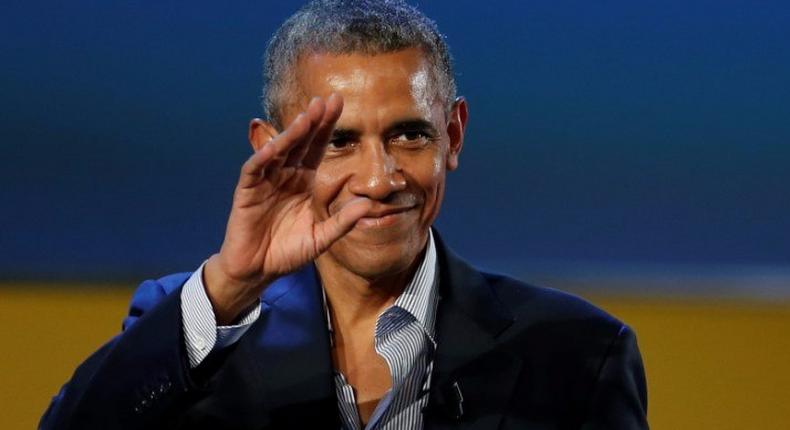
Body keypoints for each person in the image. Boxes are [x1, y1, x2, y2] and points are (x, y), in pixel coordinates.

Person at [40, 1, 648, 429]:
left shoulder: (578, 353)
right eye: (338, 141)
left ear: (454, 135)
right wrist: (228, 288)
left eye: (409, 135)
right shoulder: (193, 330)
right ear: (269, 149)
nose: (380, 179)